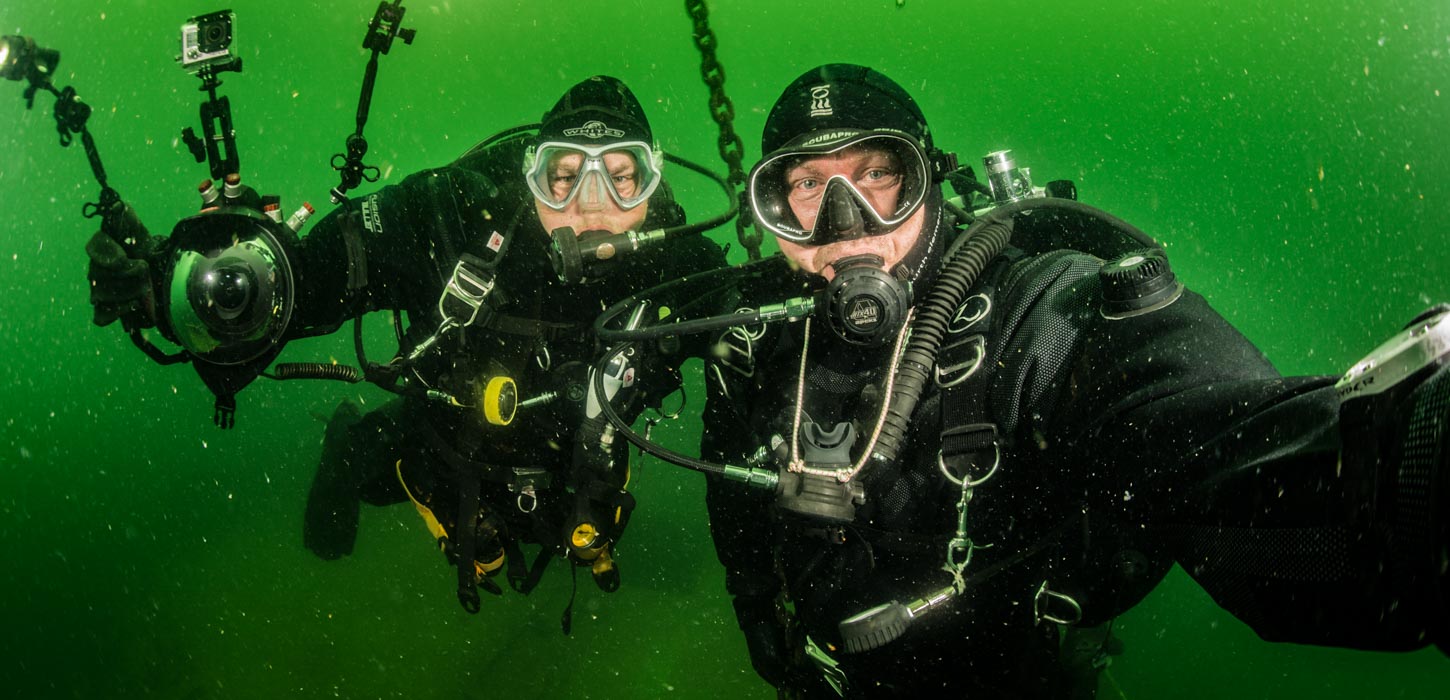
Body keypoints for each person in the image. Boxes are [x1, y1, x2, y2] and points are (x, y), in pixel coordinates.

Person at [675, 64, 1449, 696]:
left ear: (932, 180)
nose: (846, 221)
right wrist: (757, 614)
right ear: (772, 208)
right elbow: (737, 500)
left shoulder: (1038, 312)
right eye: (807, 186)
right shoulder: (756, 341)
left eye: (880, 174)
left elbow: (1204, 424)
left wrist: (1410, 465)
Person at [86, 75, 726, 617]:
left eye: (621, 179)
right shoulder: (447, 217)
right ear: (530, 175)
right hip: (434, 447)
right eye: (562, 176)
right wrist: (196, 287)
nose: (593, 209)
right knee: (376, 473)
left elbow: (778, 336)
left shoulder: (687, 269)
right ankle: (342, 440)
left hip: (581, 476)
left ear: (654, 187)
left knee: (568, 530)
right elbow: (313, 278)